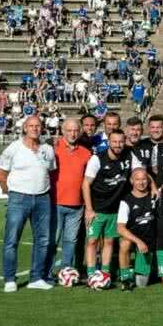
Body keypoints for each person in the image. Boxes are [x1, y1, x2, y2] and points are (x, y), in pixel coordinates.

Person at [0, 115, 56, 292]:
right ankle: (9, 279)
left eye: (38, 126)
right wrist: (12, 194)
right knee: (12, 240)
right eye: (31, 126)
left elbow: (50, 173)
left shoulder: (47, 149)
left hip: (43, 198)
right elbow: (1, 175)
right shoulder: (13, 148)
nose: (35, 129)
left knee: (43, 240)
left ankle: (36, 277)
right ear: (24, 128)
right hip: (19, 198)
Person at [82, 130, 133, 288]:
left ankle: (104, 273)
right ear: (109, 142)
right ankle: (91, 274)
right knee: (92, 241)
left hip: (114, 210)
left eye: (120, 142)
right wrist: (89, 209)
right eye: (115, 142)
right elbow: (85, 184)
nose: (118, 145)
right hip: (97, 209)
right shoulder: (97, 159)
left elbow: (140, 172)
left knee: (109, 242)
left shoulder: (129, 156)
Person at [48, 118, 91, 280]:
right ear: (62, 131)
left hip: (77, 206)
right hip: (55, 203)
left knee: (70, 241)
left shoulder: (86, 153)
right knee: (53, 241)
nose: (72, 134)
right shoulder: (52, 148)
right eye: (69, 130)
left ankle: (65, 272)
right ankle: (47, 272)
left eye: (75, 130)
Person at [116, 168, 157, 289]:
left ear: (148, 180)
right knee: (125, 243)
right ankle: (125, 278)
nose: (141, 182)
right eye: (137, 179)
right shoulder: (126, 201)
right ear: (131, 181)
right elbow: (120, 228)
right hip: (134, 239)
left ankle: (140, 270)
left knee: (141, 284)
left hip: (149, 241)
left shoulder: (155, 196)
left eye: (144, 179)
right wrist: (138, 241)